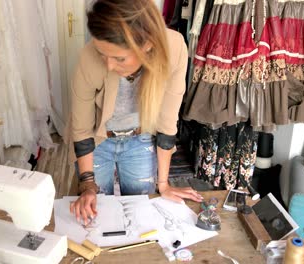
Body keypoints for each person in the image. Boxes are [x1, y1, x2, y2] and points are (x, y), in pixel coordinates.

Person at [69, 0, 203, 225]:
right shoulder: (88, 57)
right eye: (103, 54)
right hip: (98, 140)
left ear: (147, 45)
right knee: (95, 217)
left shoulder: (175, 48)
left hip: (139, 139)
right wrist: (88, 186)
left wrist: (164, 184)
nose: (109, 66)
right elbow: (81, 128)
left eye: (119, 58)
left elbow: (167, 123)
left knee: (142, 216)